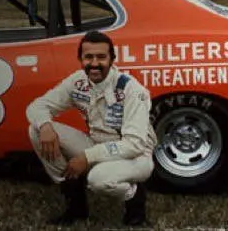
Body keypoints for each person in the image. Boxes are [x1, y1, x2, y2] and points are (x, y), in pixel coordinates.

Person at [26, 30, 157, 226]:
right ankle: (75, 202)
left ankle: (135, 197)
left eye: (101, 57)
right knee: (36, 129)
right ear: (81, 59)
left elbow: (135, 145)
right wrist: (45, 125)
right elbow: (37, 106)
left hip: (135, 155)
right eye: (88, 57)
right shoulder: (78, 81)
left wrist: (87, 157)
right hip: (96, 143)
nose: (94, 63)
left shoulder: (132, 90)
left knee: (98, 179)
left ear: (112, 59)